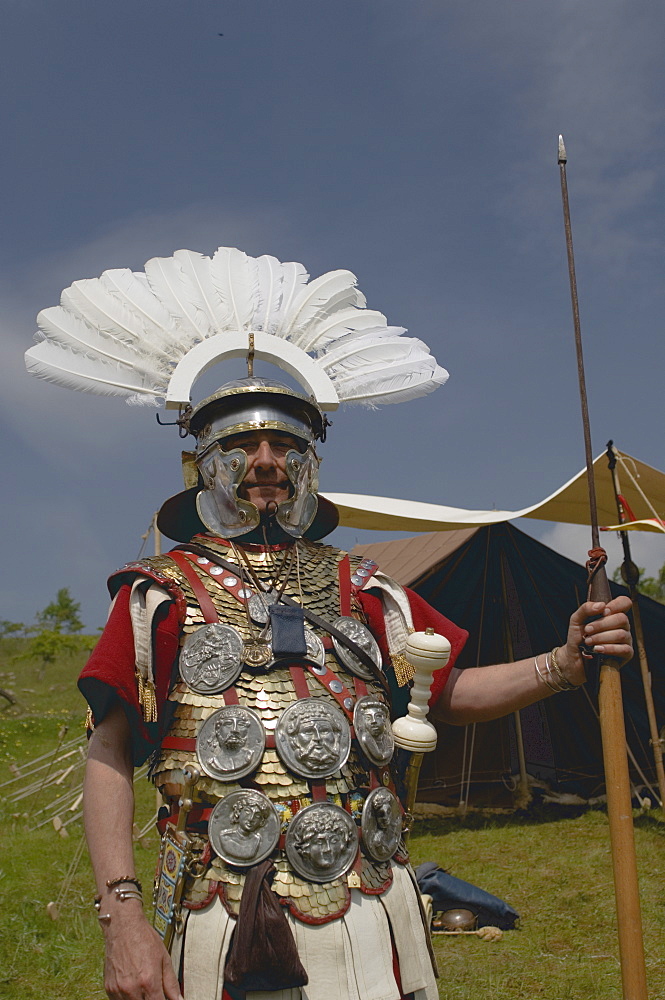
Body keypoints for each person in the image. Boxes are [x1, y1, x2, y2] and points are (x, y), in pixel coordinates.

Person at [25, 247, 633, 1000]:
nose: (266, 459)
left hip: (374, 899)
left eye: (285, 444)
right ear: (203, 463)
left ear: (308, 463)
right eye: (242, 444)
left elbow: (445, 694)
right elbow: (110, 752)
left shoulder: (365, 588)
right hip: (228, 904)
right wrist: (121, 920)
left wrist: (563, 664)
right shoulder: (161, 592)